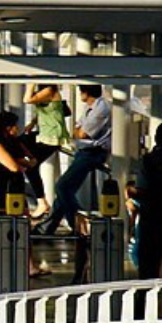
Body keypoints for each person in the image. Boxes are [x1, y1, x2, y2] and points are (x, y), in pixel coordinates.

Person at [34, 85, 111, 236]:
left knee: (62, 186)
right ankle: (47, 227)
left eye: (81, 91)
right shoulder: (90, 108)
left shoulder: (101, 109)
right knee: (65, 190)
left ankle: (79, 224)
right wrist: (78, 131)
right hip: (84, 152)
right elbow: (76, 129)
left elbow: (82, 133)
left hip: (93, 153)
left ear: (86, 92)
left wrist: (78, 131)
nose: (80, 94)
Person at [0, 111, 47, 288]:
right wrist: (21, 161)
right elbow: (13, 167)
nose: (17, 129)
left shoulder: (14, 144)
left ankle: (29, 265)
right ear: (7, 127)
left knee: (23, 227)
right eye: (14, 126)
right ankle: (3, 264)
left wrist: (21, 156)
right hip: (3, 193)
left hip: (17, 192)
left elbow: (32, 161)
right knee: (4, 228)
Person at [22, 84, 70, 218]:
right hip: (44, 135)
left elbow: (27, 100)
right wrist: (32, 122)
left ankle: (42, 202)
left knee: (31, 167)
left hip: (52, 137)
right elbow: (45, 110)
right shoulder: (45, 92)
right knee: (19, 143)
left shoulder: (50, 90)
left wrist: (30, 83)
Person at [133, 122, 162, 279]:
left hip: (152, 217)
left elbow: (143, 189)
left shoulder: (149, 160)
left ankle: (143, 300)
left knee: (148, 265)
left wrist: (131, 192)